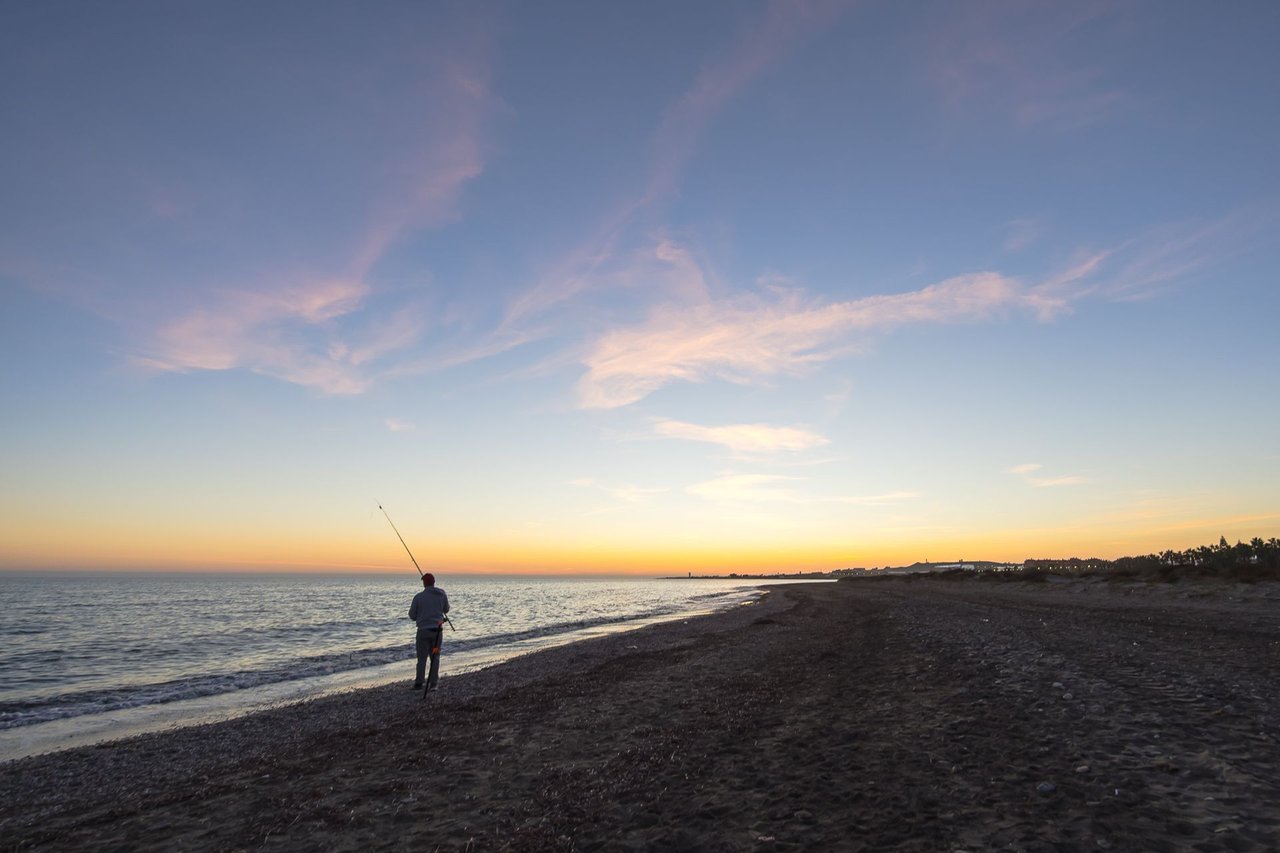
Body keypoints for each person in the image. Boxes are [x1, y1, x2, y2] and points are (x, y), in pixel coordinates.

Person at [408, 572, 450, 691]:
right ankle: (433, 683)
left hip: (423, 633)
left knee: (421, 658)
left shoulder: (418, 597)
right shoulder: (442, 594)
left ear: (424, 583)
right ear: (433, 582)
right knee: (435, 656)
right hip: (437, 633)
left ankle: (419, 682)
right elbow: (446, 609)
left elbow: (412, 615)